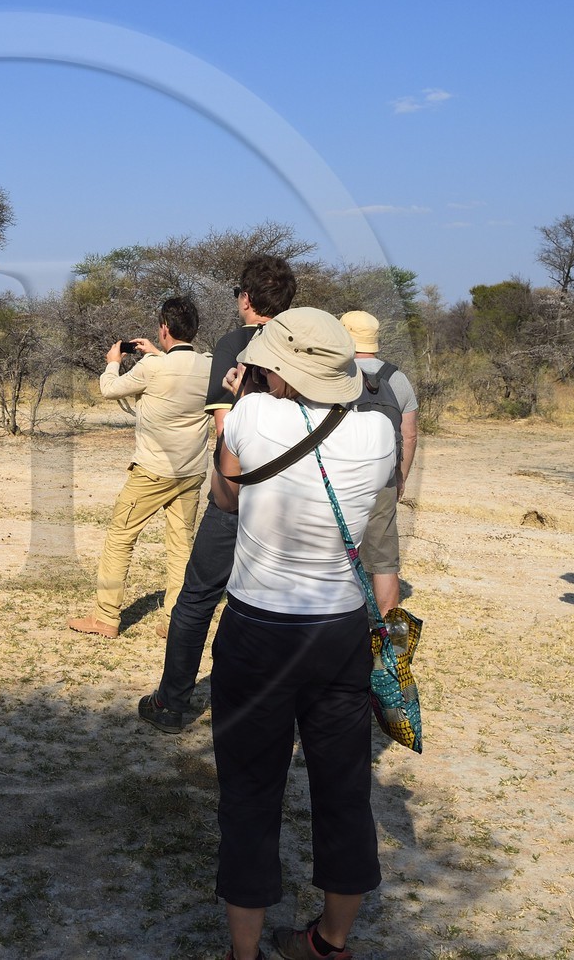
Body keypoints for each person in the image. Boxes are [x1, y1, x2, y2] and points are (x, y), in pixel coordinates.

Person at [207, 307, 395, 960]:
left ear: (277, 366)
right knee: (344, 790)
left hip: (258, 625)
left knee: (250, 792)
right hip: (339, 627)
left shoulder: (254, 415)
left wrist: (247, 398)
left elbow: (226, 497)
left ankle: (245, 951)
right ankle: (330, 940)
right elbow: (370, 515)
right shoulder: (379, 431)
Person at [138, 255, 297, 730]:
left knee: (197, 598)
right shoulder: (302, 344)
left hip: (239, 494)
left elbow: (225, 427)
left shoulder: (234, 344)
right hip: (294, 496)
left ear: (246, 299)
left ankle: (172, 703)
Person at [68, 295, 212, 638]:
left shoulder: (152, 367)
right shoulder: (209, 363)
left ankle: (105, 617)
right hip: (191, 471)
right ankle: (175, 620)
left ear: (164, 328)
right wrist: (157, 355)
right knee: (181, 545)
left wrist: (112, 361)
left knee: (120, 537)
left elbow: (109, 390)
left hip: (151, 470)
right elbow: (177, 373)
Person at [339, 310, 418, 613]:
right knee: (384, 560)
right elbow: (409, 436)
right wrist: (400, 477)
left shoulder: (337, 374)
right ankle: (385, 635)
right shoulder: (398, 378)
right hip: (383, 477)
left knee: (338, 553)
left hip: (343, 477)